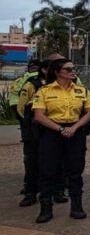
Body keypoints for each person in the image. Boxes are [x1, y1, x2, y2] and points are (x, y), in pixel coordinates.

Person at [31, 59, 90, 223]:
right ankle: (46, 209)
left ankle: (76, 207)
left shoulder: (81, 90)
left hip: (75, 131)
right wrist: (60, 129)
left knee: (75, 170)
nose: (73, 72)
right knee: (47, 171)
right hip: (51, 132)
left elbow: (89, 112)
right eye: (68, 69)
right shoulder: (44, 91)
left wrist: (74, 128)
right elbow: (39, 115)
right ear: (57, 72)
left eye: (73, 69)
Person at [15, 59, 43, 207]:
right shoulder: (31, 83)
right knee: (32, 160)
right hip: (32, 128)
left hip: (48, 129)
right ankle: (31, 191)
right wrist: (28, 122)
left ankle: (51, 191)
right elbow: (21, 107)